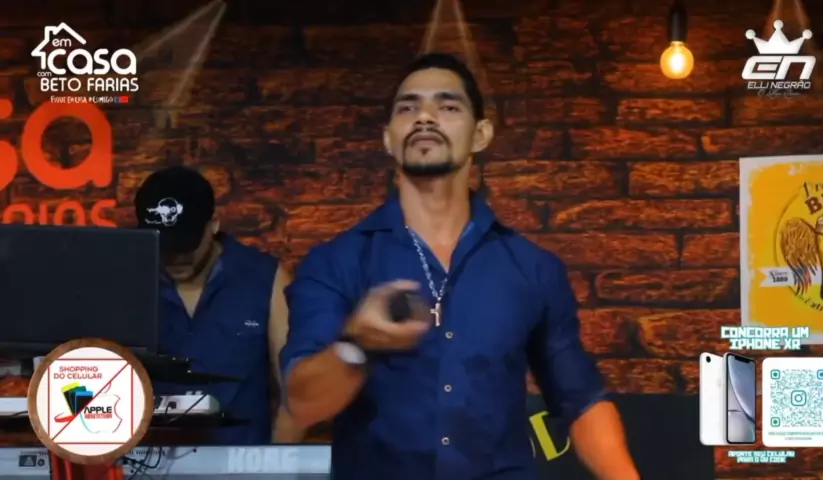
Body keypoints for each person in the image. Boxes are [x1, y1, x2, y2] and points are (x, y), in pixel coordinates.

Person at [281, 53, 639, 479]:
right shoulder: (336, 262)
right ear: (388, 138)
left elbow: (580, 400)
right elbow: (303, 405)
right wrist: (356, 345)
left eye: (448, 106)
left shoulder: (532, 267)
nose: (424, 117)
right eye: (408, 107)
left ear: (480, 135)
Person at [134, 166, 300, 445]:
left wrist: (276, 461)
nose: (175, 257)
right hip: (145, 461)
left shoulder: (266, 278)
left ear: (213, 224)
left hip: (244, 461)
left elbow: (294, 393)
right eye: (165, 245)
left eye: (186, 244)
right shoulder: (124, 279)